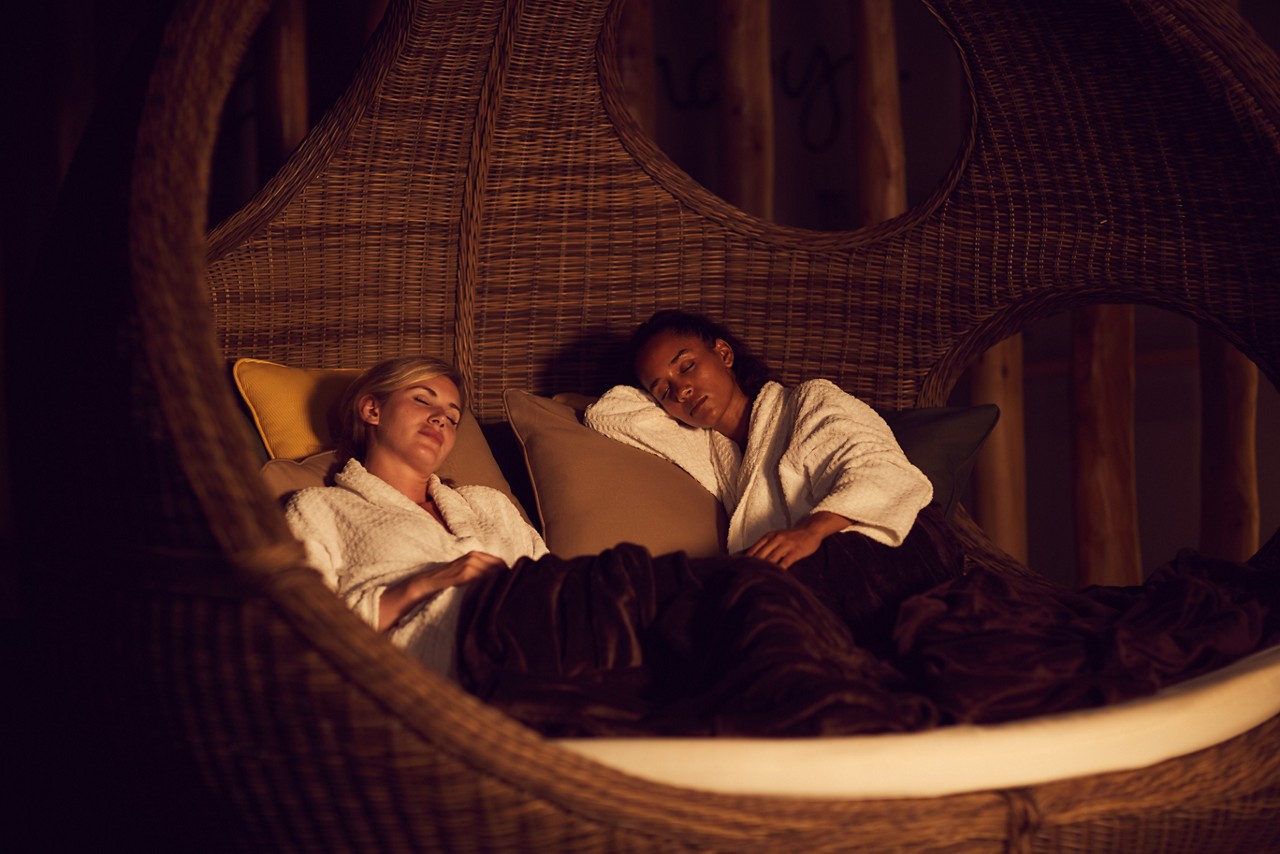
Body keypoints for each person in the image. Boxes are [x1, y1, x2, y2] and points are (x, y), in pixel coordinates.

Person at [584, 309, 935, 569]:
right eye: (662, 390)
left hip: (874, 548)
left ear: (723, 354)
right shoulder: (706, 449)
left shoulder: (807, 402)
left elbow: (882, 472)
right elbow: (609, 413)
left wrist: (810, 532)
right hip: (790, 574)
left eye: (687, 366)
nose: (682, 389)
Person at [284, 356, 547, 677]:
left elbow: (553, 586)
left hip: (534, 645)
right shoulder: (318, 509)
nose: (440, 419)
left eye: (452, 418)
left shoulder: (489, 504)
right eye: (423, 400)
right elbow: (297, 633)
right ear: (372, 410)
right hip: (432, 670)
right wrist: (424, 585)